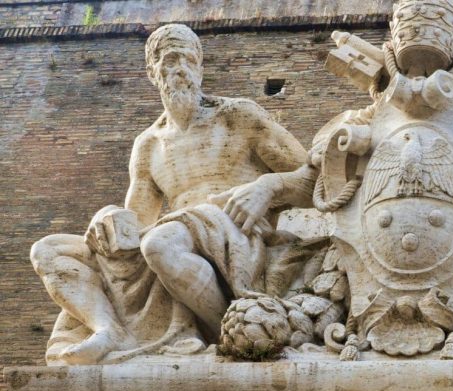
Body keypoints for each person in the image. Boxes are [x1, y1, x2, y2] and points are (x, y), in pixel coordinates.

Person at [31, 24, 314, 364]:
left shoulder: (239, 116)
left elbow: (316, 180)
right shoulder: (148, 145)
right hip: (174, 238)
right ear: (153, 72)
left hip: (236, 236)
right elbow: (134, 226)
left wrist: (269, 187)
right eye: (168, 61)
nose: (179, 68)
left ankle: (226, 330)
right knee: (49, 251)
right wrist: (105, 219)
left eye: (187, 60)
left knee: (160, 244)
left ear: (200, 67)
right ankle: (109, 329)